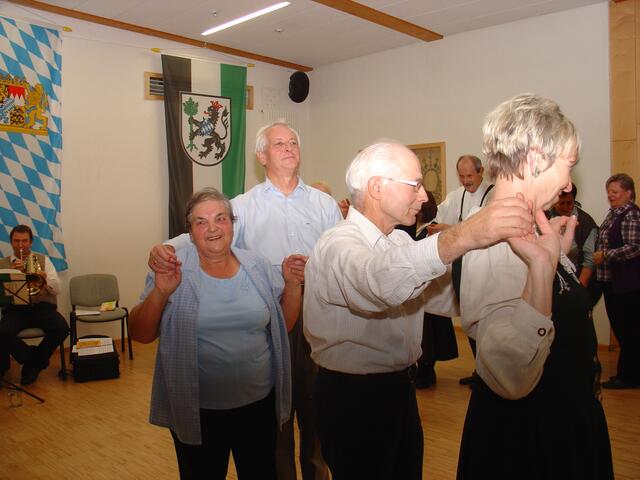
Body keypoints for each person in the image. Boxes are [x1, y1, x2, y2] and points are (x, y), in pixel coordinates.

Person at [303, 140, 533, 479]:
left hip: (398, 390)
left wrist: (532, 266)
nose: (424, 196)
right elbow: (380, 283)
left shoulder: (398, 242)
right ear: (377, 187)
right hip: (353, 398)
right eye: (415, 184)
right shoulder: (337, 245)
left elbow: (452, 295)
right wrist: (465, 235)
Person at [150, 121, 340, 480]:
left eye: (293, 142)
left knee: (317, 412)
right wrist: (163, 249)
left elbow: (340, 257)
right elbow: (205, 235)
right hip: (268, 318)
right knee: (276, 418)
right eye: (279, 143)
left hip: (319, 316)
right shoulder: (243, 206)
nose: (289, 148)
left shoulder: (325, 205)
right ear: (261, 156)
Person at [456, 94, 613, 479]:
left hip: (561, 421)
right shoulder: (497, 240)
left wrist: (558, 256)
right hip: (532, 439)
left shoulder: (529, 228)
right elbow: (508, 374)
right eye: (567, 166)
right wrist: (544, 268)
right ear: (536, 159)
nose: (568, 182)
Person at [129, 188, 306, 480]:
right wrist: (160, 292)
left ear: (232, 224)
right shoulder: (173, 270)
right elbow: (141, 334)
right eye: (201, 222)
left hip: (259, 406)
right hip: (199, 411)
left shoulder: (257, 265)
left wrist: (292, 285)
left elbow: (281, 326)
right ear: (189, 232)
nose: (212, 228)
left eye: (220, 218)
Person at [428, 154, 494, 385]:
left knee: (485, 320)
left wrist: (451, 228)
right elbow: (437, 217)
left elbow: (487, 229)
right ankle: (479, 370)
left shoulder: (493, 194)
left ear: (481, 172)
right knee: (469, 318)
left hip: (485, 269)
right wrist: (435, 226)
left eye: (470, 176)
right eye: (462, 176)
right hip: (462, 267)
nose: (466, 181)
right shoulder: (457, 196)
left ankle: (490, 373)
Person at [396, 190, 458, 388]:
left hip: (432, 293)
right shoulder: (409, 228)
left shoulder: (433, 228)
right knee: (421, 335)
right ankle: (420, 368)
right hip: (419, 292)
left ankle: (427, 371)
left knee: (430, 337)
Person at [0, 224, 69, 385]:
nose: (21, 245)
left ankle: (32, 364)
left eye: (24, 241)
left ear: (31, 242)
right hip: (15, 310)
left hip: (42, 308)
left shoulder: (43, 260)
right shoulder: (2, 264)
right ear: (11, 242)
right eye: (17, 241)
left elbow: (58, 289)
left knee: (61, 328)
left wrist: (42, 276)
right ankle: (33, 361)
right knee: (2, 332)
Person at [593, 173, 640, 389]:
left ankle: (628, 377)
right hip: (613, 283)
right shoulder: (614, 213)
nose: (610, 195)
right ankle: (630, 374)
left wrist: (606, 255)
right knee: (624, 331)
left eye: (615, 192)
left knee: (628, 331)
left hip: (627, 285)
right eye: (608, 192)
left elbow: (635, 247)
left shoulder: (630, 215)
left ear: (628, 193)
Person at [548, 184, 598, 288]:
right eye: (561, 203)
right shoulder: (546, 217)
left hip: (576, 279)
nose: (565, 207)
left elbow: (589, 261)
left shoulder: (586, 223)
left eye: (569, 203)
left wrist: (580, 289)